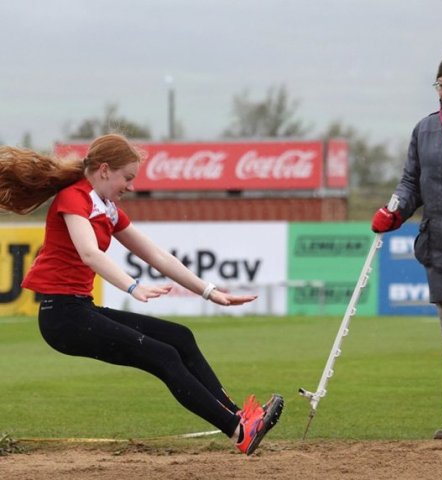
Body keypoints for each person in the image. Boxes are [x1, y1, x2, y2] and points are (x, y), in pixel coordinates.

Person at [0, 133, 284, 455]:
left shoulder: (106, 207)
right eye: (128, 178)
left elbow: (156, 255)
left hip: (81, 310)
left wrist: (210, 292)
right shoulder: (73, 198)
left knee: (180, 337)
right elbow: (90, 254)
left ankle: (238, 417)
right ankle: (238, 432)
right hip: (62, 318)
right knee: (163, 356)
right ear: (105, 169)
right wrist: (132, 287)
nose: (131, 187)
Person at [371, 49, 442, 439]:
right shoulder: (426, 129)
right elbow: (410, 183)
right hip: (440, 247)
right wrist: (394, 210)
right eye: (441, 84)